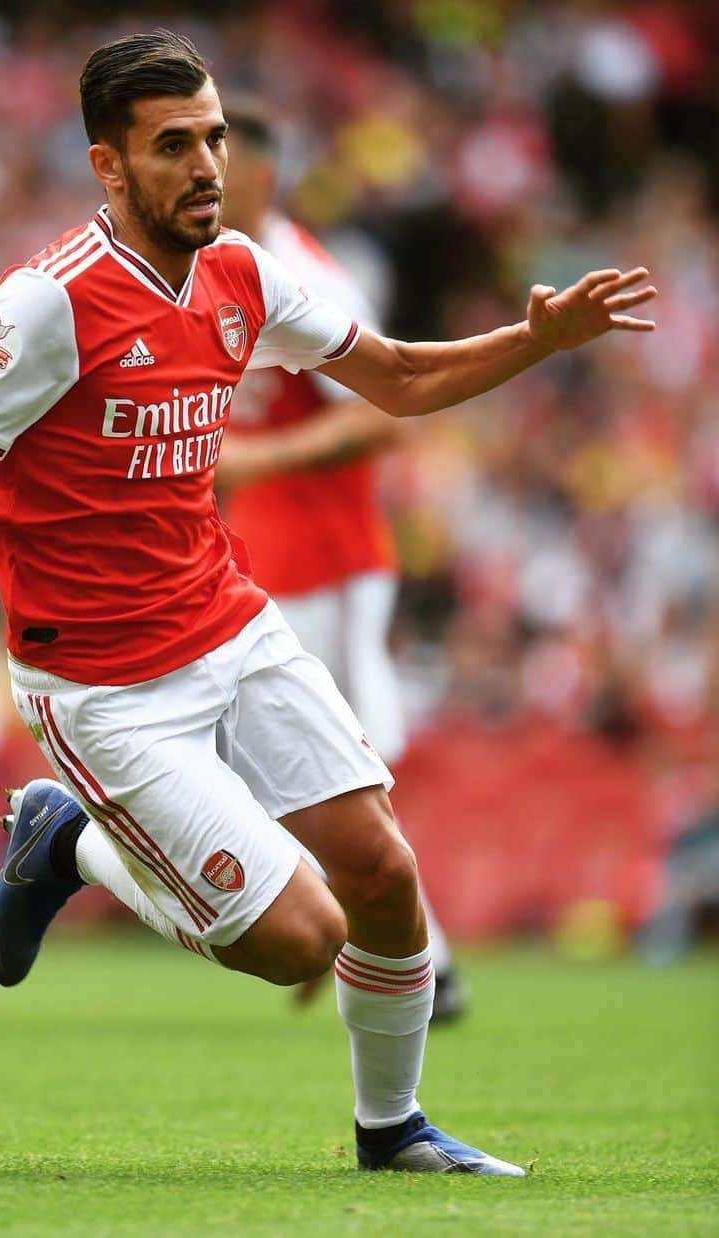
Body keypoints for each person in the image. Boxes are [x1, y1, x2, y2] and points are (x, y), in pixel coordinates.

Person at [0, 31, 655, 1174]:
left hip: (228, 620)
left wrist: (536, 339)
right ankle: (68, 841)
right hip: (101, 681)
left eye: (214, 136)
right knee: (302, 942)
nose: (207, 163)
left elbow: (399, 379)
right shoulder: (50, 304)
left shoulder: (244, 275)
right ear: (108, 166)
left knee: (384, 874)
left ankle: (392, 1127)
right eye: (174, 146)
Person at [215, 107, 466, 1020]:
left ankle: (420, 959)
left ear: (263, 178)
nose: (200, 173)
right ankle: (398, 946)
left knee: (344, 761)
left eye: (217, 155)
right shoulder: (212, 267)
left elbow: (382, 407)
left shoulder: (303, 274)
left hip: (330, 550)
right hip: (268, 551)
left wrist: (254, 463)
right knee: (306, 762)